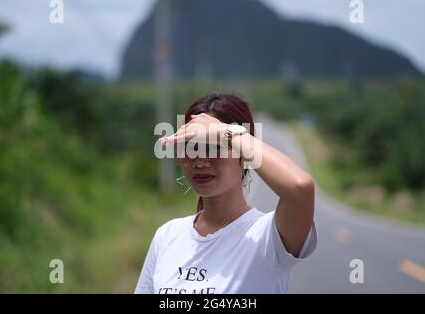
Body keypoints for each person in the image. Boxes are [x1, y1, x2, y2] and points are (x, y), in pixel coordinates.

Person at [134, 93, 317, 294]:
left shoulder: (268, 239)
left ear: (244, 152)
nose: (201, 161)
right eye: (191, 146)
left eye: (215, 146)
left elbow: (301, 187)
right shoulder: (167, 237)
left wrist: (225, 133)